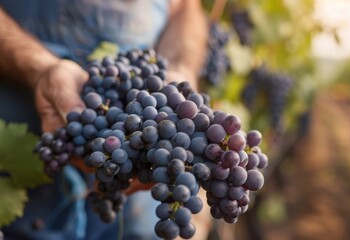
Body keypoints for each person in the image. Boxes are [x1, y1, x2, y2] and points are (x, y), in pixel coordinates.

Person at [0, 0, 211, 239]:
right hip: (23, 163)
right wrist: (38, 67)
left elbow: (185, 7)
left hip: (138, 184)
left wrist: (182, 69)